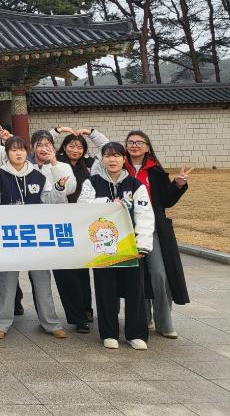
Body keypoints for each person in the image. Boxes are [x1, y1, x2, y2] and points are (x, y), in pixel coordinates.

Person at [0, 135, 68, 341]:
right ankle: (0, 323)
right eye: (13, 149)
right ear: (7, 153)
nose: (18, 153)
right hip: (8, 237)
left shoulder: (39, 176)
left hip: (35, 237)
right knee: (6, 281)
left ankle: (51, 322)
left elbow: (50, 202)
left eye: (22, 149)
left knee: (42, 280)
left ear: (27, 151)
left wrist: (59, 188)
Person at [79, 142, 154, 350]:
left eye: (117, 155)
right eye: (108, 155)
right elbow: (83, 206)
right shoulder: (92, 182)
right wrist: (108, 203)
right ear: (102, 159)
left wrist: (142, 245)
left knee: (134, 290)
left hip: (130, 247)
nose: (112, 159)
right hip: (102, 246)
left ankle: (135, 333)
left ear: (124, 159)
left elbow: (145, 215)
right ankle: (109, 333)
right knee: (105, 289)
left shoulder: (135, 185)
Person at [124, 130, 192, 339]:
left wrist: (178, 185)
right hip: (125, 232)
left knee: (159, 275)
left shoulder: (155, 171)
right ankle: (143, 319)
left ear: (147, 147)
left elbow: (167, 201)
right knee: (137, 277)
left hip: (152, 230)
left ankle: (164, 322)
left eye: (139, 142)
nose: (134, 145)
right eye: (130, 142)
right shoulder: (119, 168)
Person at [51, 127, 109, 333]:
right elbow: (42, 144)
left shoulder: (92, 165)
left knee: (83, 270)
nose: (75, 150)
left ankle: (86, 309)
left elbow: (108, 148)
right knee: (66, 272)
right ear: (64, 147)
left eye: (79, 147)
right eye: (71, 146)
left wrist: (92, 133)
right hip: (60, 224)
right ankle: (77, 317)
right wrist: (57, 130)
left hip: (84, 224)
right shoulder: (54, 163)